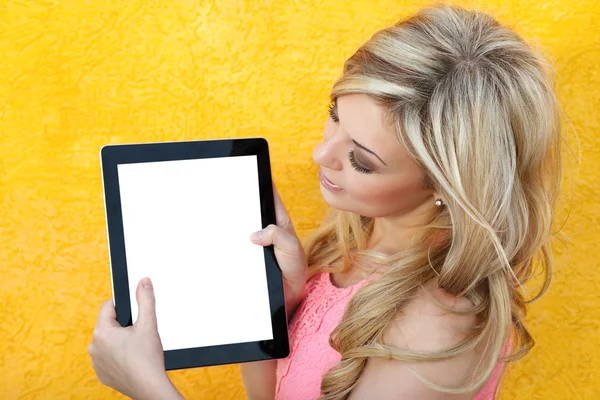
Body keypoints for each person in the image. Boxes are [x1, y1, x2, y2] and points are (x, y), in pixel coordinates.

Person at [89, 4, 564, 399]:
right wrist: (274, 310)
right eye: (334, 116)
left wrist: (150, 387)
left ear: (448, 184)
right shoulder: (338, 251)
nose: (321, 154)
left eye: (361, 160)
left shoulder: (436, 327)